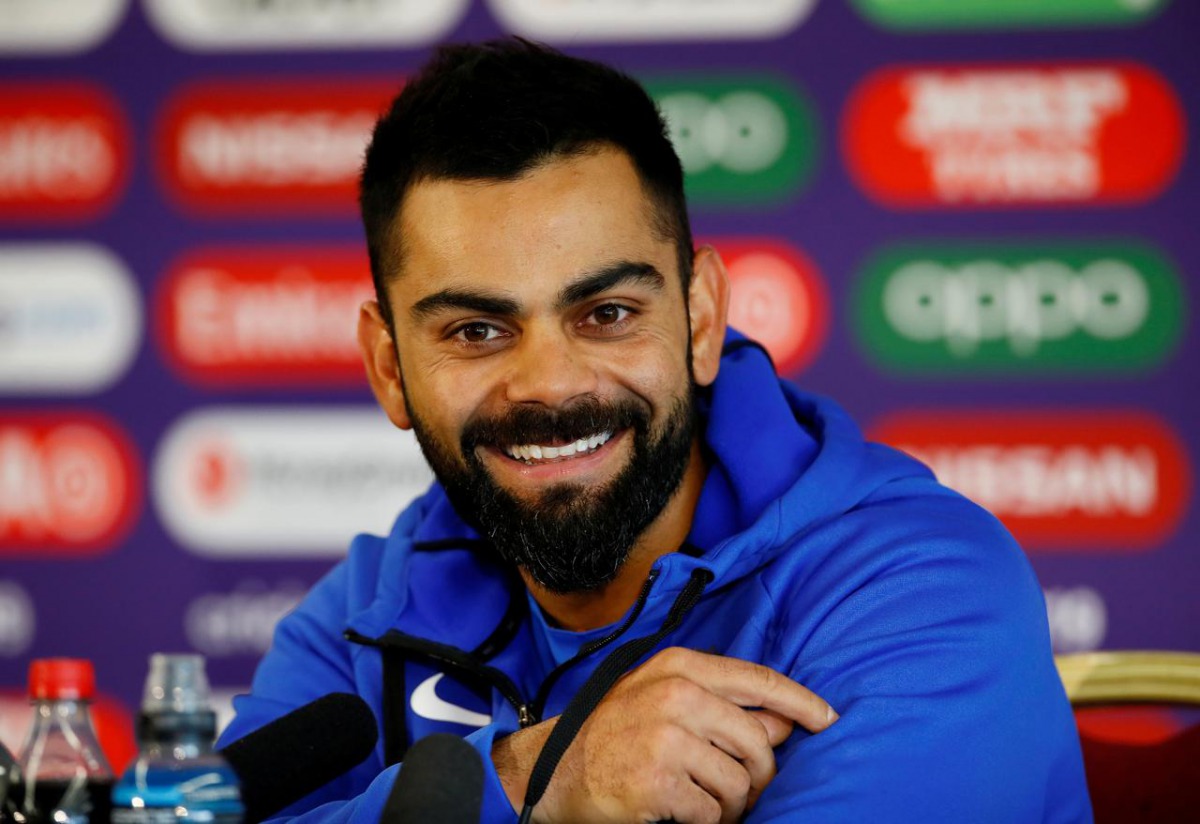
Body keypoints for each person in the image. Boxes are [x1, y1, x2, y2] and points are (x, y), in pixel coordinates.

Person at [218, 39, 1092, 823]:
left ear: (702, 317)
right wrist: (530, 781)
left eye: (606, 312)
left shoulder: (916, 593)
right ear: (388, 368)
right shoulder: (372, 610)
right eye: (476, 331)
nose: (550, 386)